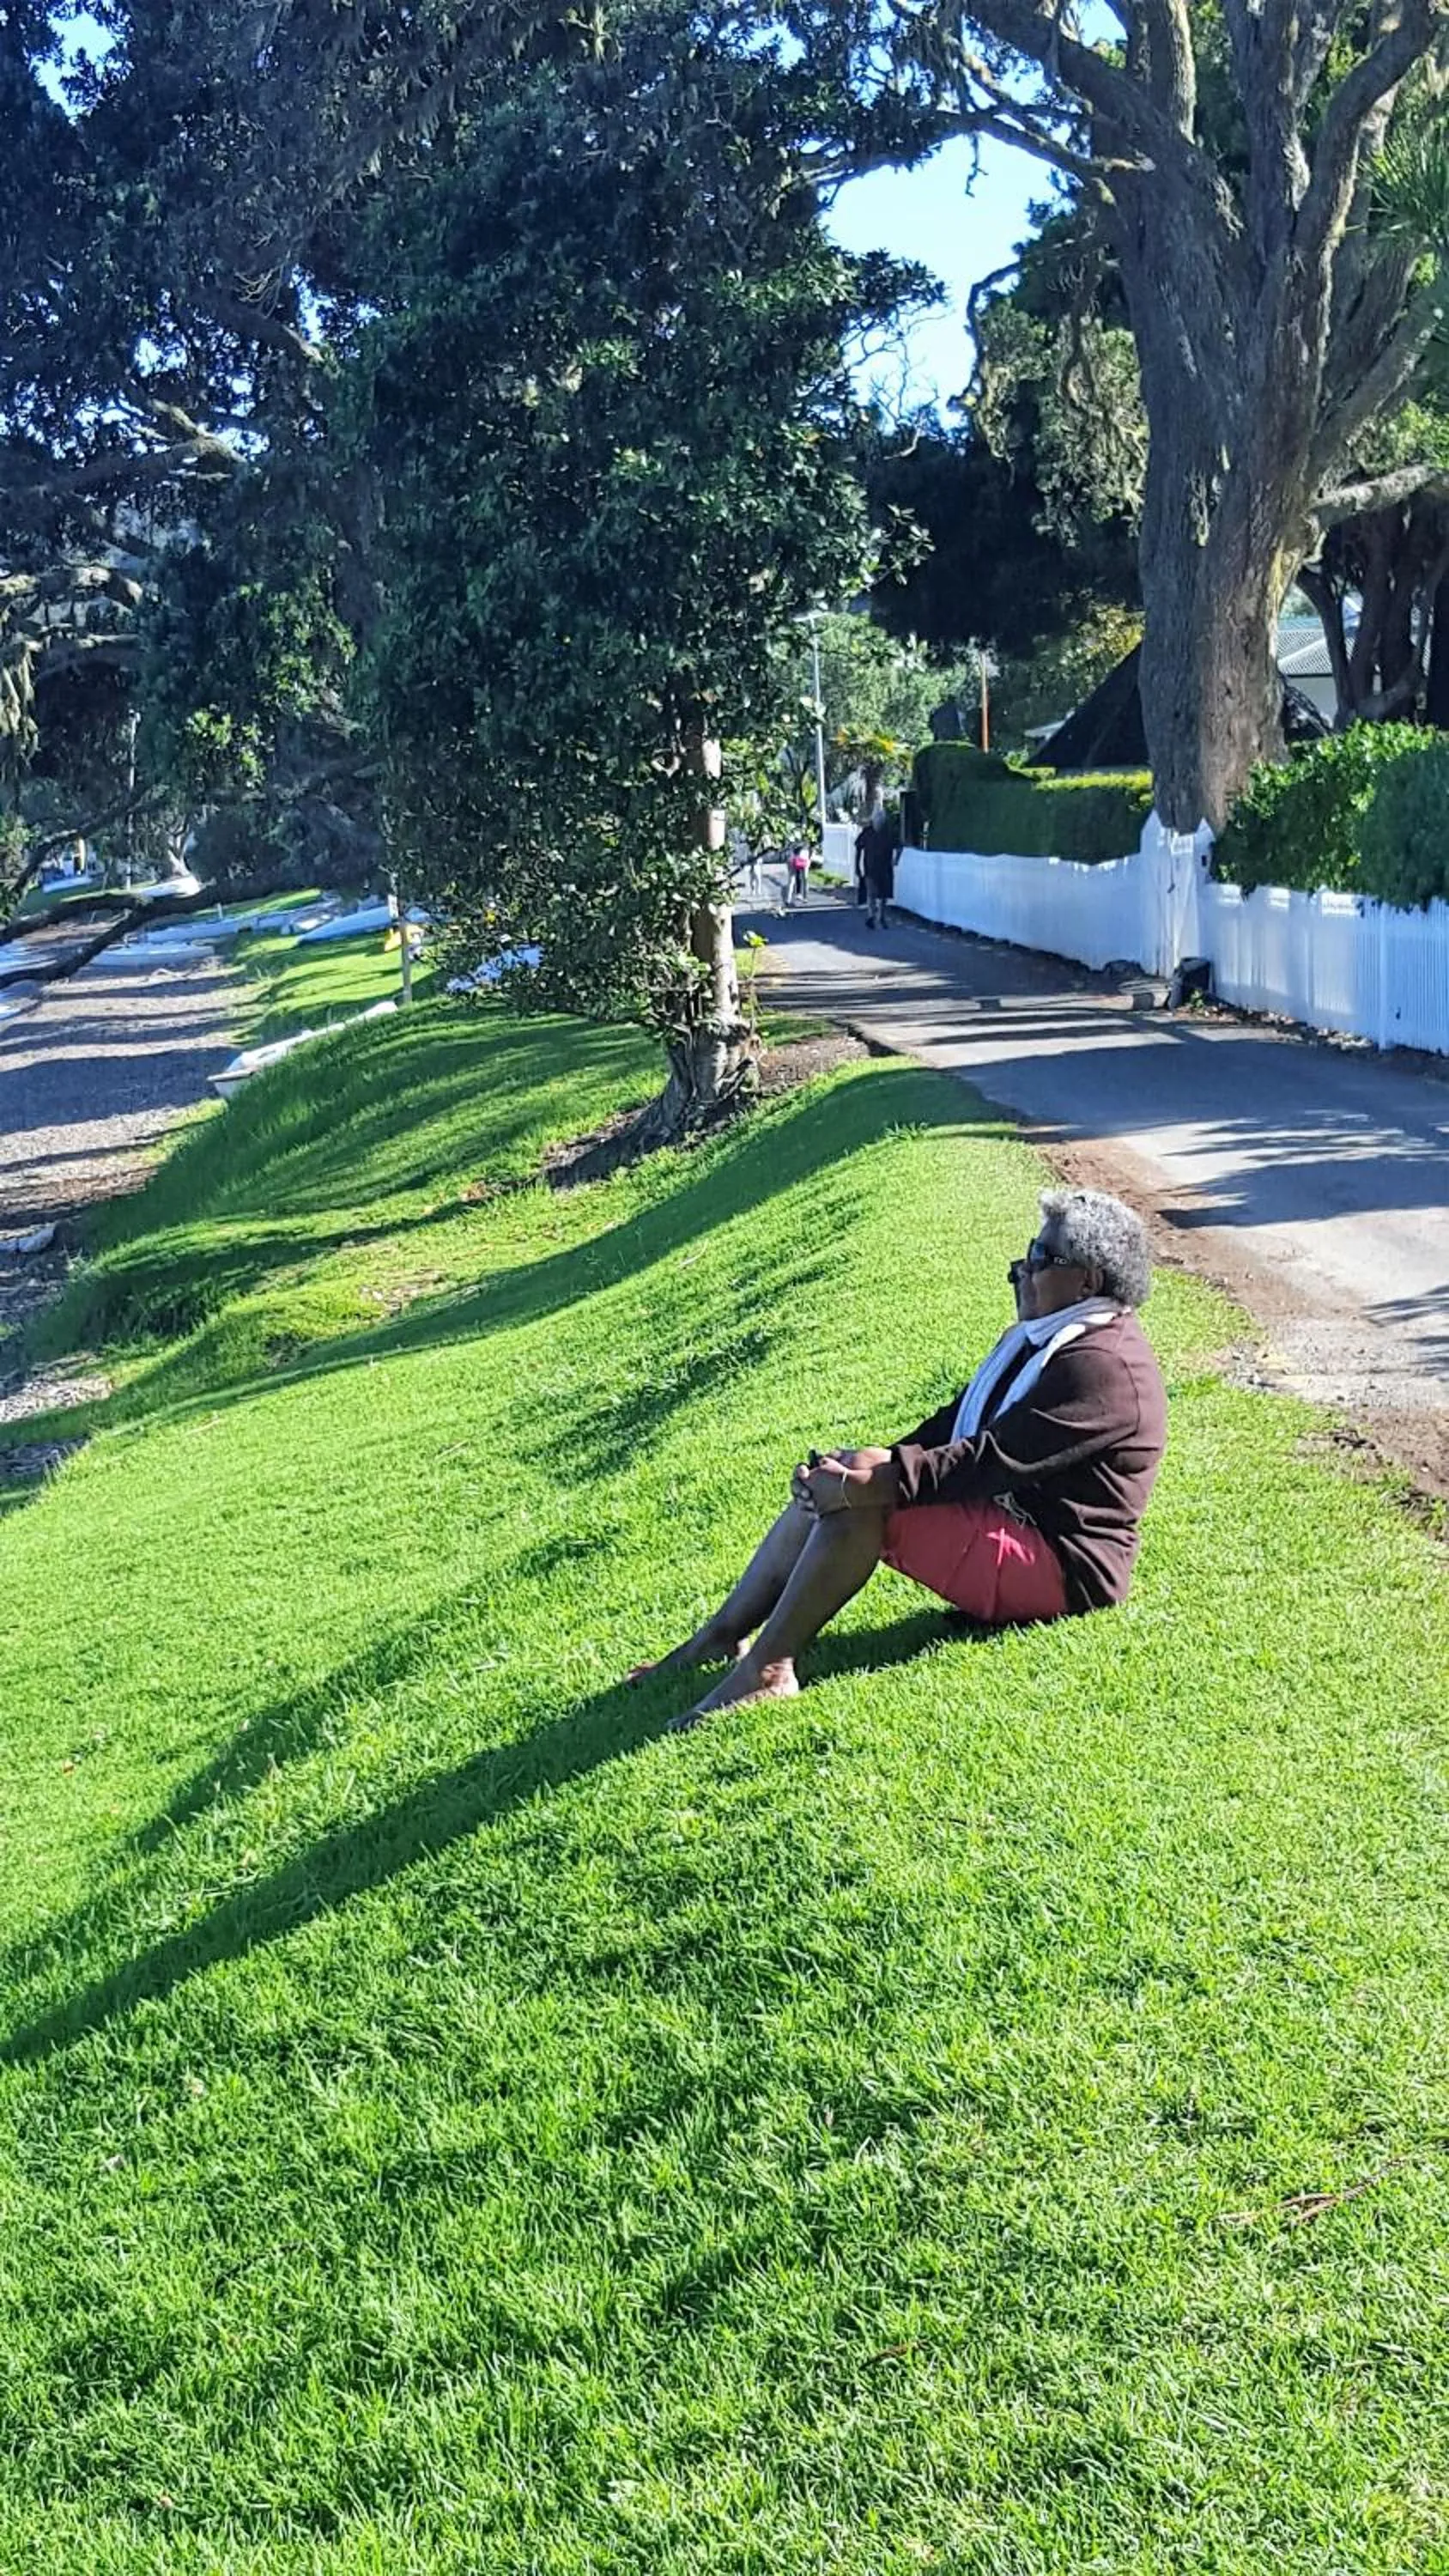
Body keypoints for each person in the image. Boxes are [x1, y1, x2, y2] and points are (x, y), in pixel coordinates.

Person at [632, 1187, 1167, 1728]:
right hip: (1010, 1524)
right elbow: (952, 1428)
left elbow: (989, 1459)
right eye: (1026, 1255)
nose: (1020, 1272)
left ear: (1089, 1281)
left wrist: (869, 1484)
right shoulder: (1047, 1341)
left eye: (1040, 1260)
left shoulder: (1101, 1366)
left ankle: (770, 1671)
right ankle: (718, 1638)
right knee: (850, 1479)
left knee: (866, 1502)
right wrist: (861, 1465)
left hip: (1063, 1568)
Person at [856, 803, 898, 929]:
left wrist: (895, 860)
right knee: (871, 893)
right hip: (870, 868)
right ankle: (871, 916)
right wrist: (857, 867)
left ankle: (881, 916)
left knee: (883, 895)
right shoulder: (867, 832)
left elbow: (899, 846)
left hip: (885, 869)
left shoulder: (888, 833)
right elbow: (858, 848)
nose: (879, 822)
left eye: (881, 820)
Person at [784, 838, 811, 907]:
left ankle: (803, 897)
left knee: (803, 878)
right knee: (795, 879)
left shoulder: (804, 834)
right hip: (797, 858)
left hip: (800, 857)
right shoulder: (800, 835)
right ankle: (790, 899)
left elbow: (808, 844)